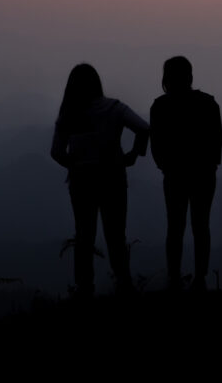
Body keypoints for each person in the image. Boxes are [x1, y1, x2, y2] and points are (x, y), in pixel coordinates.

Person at [50, 63, 149, 298]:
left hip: (81, 181)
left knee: (84, 235)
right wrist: (134, 155)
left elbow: (56, 152)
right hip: (113, 178)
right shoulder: (114, 108)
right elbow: (144, 128)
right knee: (116, 235)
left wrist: (73, 164)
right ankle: (124, 284)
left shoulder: (70, 113)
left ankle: (85, 288)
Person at [150, 56, 222, 292]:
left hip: (174, 175)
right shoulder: (208, 103)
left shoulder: (160, 106)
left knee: (175, 227)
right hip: (203, 174)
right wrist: (209, 165)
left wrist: (166, 166)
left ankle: (174, 278)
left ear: (166, 77)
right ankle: (200, 278)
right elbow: (216, 142)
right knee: (201, 226)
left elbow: (157, 146)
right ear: (190, 76)